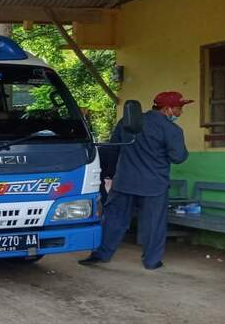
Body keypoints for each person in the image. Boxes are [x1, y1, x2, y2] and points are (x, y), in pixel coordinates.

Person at [79, 91, 191, 270]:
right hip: (154, 186)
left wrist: (111, 175)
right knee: (153, 224)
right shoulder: (172, 130)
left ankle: (101, 255)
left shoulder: (126, 122)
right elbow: (178, 157)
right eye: (179, 109)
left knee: (113, 219)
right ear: (168, 109)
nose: (180, 113)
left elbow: (114, 148)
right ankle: (151, 261)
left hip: (124, 182)